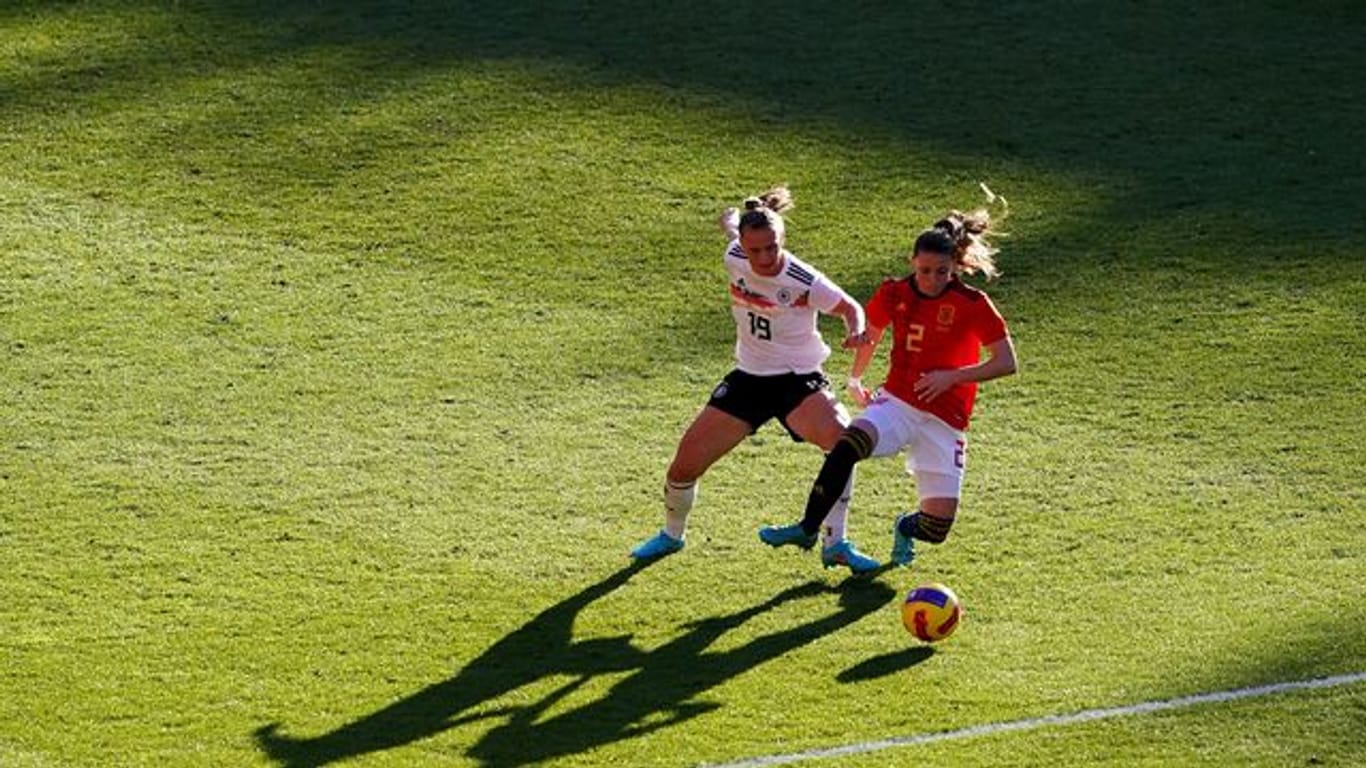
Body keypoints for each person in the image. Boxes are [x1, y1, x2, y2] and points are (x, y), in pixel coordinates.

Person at [630, 186, 881, 573]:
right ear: (744, 246)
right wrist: (729, 218)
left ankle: (836, 543)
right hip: (749, 380)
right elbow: (732, 229)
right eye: (755, 250)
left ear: (782, 240)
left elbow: (850, 307)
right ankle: (671, 536)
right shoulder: (735, 254)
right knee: (683, 466)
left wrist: (856, 330)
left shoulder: (803, 278)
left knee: (842, 441)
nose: (764, 258)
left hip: (798, 381)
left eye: (772, 247)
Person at [758, 205, 1017, 568]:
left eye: (941, 272)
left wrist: (952, 376)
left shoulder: (973, 304)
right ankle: (808, 527)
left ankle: (904, 529)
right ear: (912, 261)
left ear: (955, 266)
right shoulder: (894, 292)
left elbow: (1007, 362)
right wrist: (855, 379)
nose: (931, 279)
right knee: (848, 442)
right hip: (898, 402)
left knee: (936, 528)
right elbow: (872, 336)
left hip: (946, 419)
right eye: (924, 270)